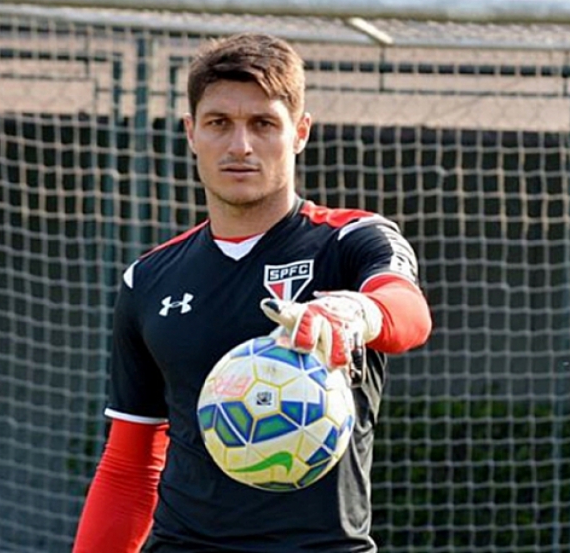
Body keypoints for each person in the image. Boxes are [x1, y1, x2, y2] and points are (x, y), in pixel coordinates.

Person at [72, 32, 432, 553]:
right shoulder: (148, 279)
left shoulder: (350, 240)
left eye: (263, 124)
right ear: (192, 133)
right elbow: (130, 466)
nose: (240, 145)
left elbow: (408, 311)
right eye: (220, 123)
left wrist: (355, 312)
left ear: (300, 133)